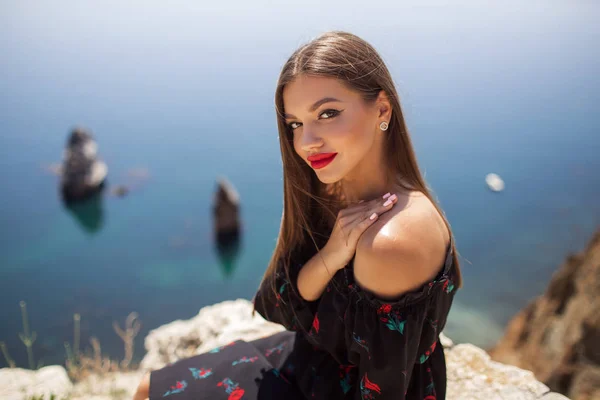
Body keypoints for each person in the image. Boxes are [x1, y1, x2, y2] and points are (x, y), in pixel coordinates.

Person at [133, 30, 462, 400]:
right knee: (148, 389)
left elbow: (383, 389)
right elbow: (284, 303)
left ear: (382, 109)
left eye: (328, 113)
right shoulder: (331, 185)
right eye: (295, 124)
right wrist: (333, 253)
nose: (307, 142)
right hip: (310, 359)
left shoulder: (389, 241)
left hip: (340, 390)